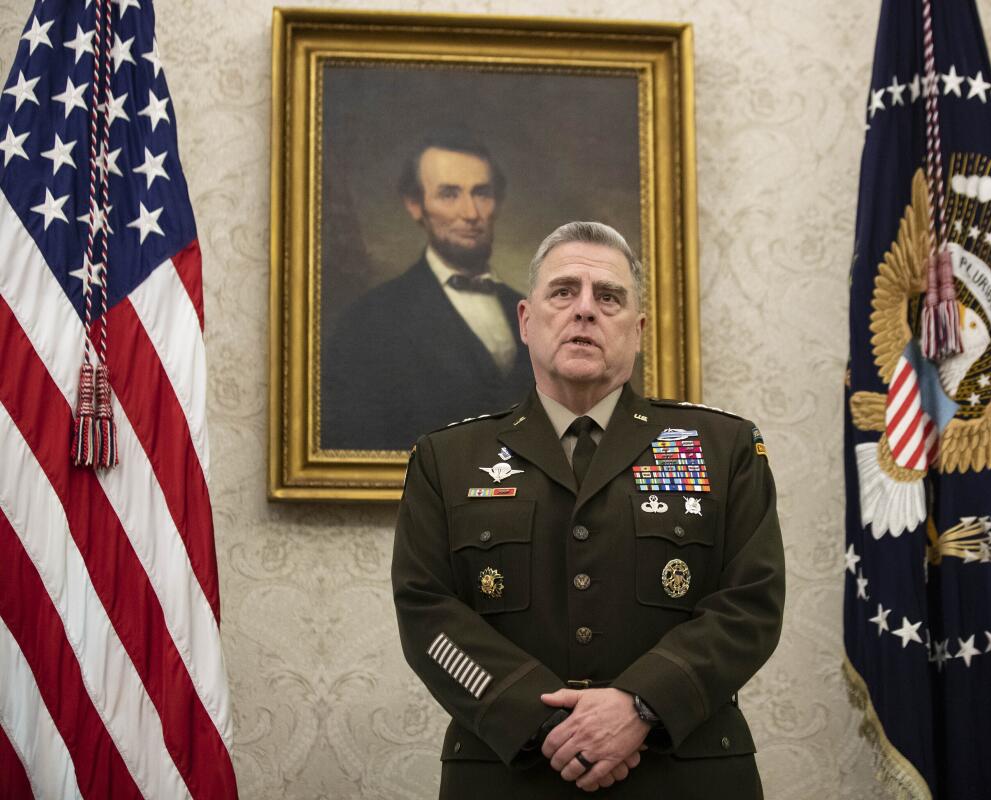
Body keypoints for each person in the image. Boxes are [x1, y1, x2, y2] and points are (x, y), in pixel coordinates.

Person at [392, 221, 785, 798]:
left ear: (639, 329)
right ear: (526, 321)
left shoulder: (721, 448)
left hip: (683, 774)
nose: (584, 310)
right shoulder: (447, 459)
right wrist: (545, 721)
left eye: (608, 297)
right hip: (512, 774)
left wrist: (641, 705)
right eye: (563, 291)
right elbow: (428, 617)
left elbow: (751, 606)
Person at [321, 131, 533, 451]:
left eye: (482, 193)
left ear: (498, 202)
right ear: (415, 205)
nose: (471, 213)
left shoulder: (532, 312)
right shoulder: (369, 321)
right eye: (449, 194)